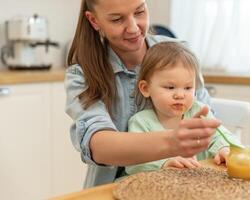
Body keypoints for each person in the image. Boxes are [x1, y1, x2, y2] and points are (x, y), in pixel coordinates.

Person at [66, 0, 221, 188]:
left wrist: (224, 147)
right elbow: (98, 146)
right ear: (94, 20)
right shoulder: (82, 73)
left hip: (184, 187)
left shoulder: (180, 53)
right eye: (117, 19)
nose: (133, 28)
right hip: (112, 188)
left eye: (139, 12)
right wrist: (172, 142)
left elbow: (209, 122)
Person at [125, 42, 240, 175]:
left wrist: (224, 149)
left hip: (197, 184)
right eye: (170, 87)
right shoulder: (141, 122)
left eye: (188, 88)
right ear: (146, 88)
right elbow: (134, 163)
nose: (180, 95)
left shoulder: (199, 111)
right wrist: (164, 163)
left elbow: (219, 136)